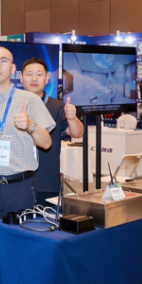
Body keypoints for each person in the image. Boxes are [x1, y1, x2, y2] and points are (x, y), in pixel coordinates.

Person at [0, 46, 55, 261]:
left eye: (3, 61)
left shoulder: (30, 100)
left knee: (23, 245)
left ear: (13, 68)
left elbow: (46, 143)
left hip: (21, 185)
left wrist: (31, 126)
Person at [20, 58, 84, 203]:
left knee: (47, 216)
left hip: (47, 181)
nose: (34, 79)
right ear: (21, 77)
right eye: (29, 74)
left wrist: (72, 117)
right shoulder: (12, 105)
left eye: (39, 74)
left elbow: (78, 133)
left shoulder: (57, 106)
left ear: (47, 78)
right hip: (18, 181)